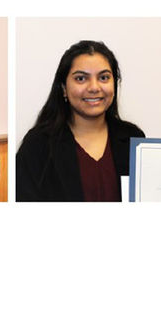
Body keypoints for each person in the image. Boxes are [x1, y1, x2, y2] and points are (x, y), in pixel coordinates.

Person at [16, 40, 145, 201]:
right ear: (63, 88)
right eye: (81, 79)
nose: (94, 87)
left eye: (104, 77)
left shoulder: (134, 138)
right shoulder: (38, 144)